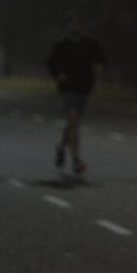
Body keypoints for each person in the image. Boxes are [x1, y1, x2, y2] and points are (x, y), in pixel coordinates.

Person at [47, 12, 106, 175]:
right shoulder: (62, 44)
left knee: (73, 123)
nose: (76, 26)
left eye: (79, 23)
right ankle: (76, 160)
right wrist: (58, 74)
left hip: (83, 88)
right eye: (73, 23)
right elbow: (51, 62)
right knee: (73, 119)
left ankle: (61, 146)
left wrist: (97, 69)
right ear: (69, 26)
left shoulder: (90, 44)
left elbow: (101, 60)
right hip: (67, 89)